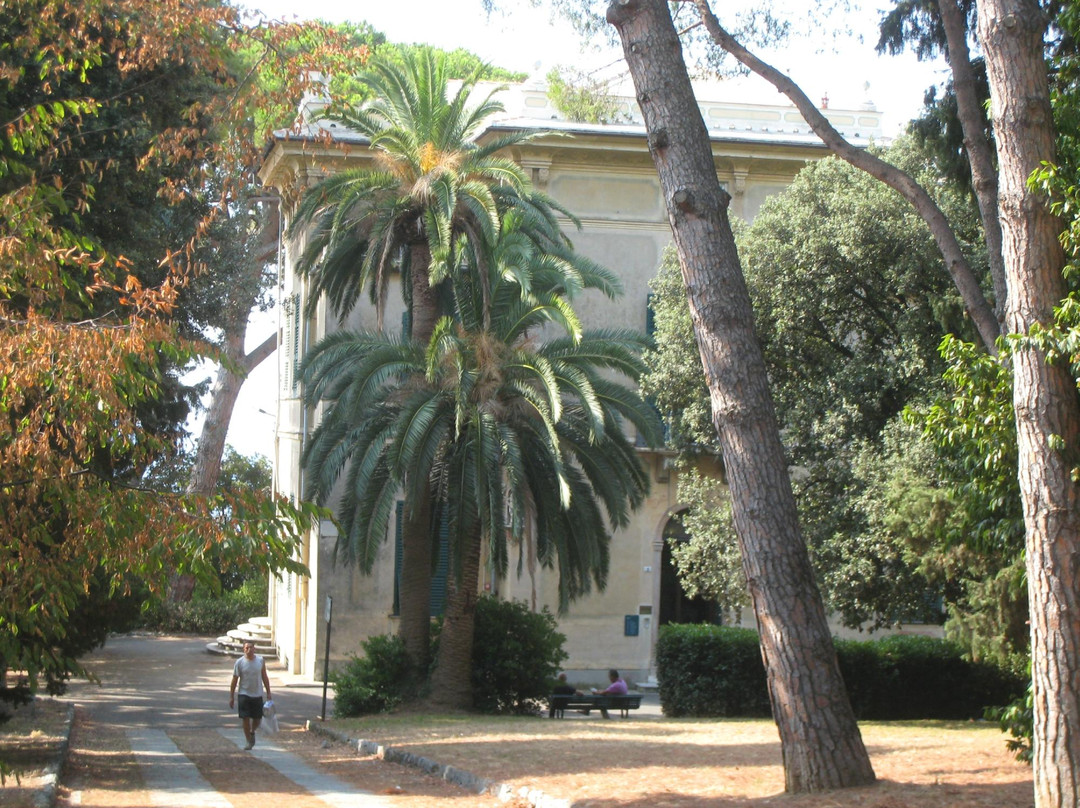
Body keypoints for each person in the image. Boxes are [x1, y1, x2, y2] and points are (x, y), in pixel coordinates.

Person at [229, 640, 271, 750]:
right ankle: (248, 741)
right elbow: (234, 680)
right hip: (244, 694)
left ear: (254, 649)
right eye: (246, 648)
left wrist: (268, 692)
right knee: (245, 718)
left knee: (257, 718)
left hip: (257, 694)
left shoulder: (260, 661)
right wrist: (231, 696)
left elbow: (264, 677)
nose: (249, 650)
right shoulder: (239, 663)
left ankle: (252, 732)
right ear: (243, 649)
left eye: (251, 647)